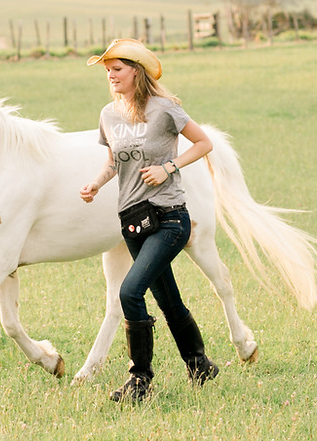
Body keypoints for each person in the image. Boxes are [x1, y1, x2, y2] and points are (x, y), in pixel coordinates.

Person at [79, 39, 219, 403]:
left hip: (170, 218)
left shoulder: (165, 110)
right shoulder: (108, 115)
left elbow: (204, 143)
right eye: (107, 70)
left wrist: (168, 167)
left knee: (129, 291)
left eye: (117, 69)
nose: (110, 76)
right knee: (168, 300)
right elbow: (114, 162)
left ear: (136, 72)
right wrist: (95, 183)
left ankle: (140, 380)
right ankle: (199, 364)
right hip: (133, 221)